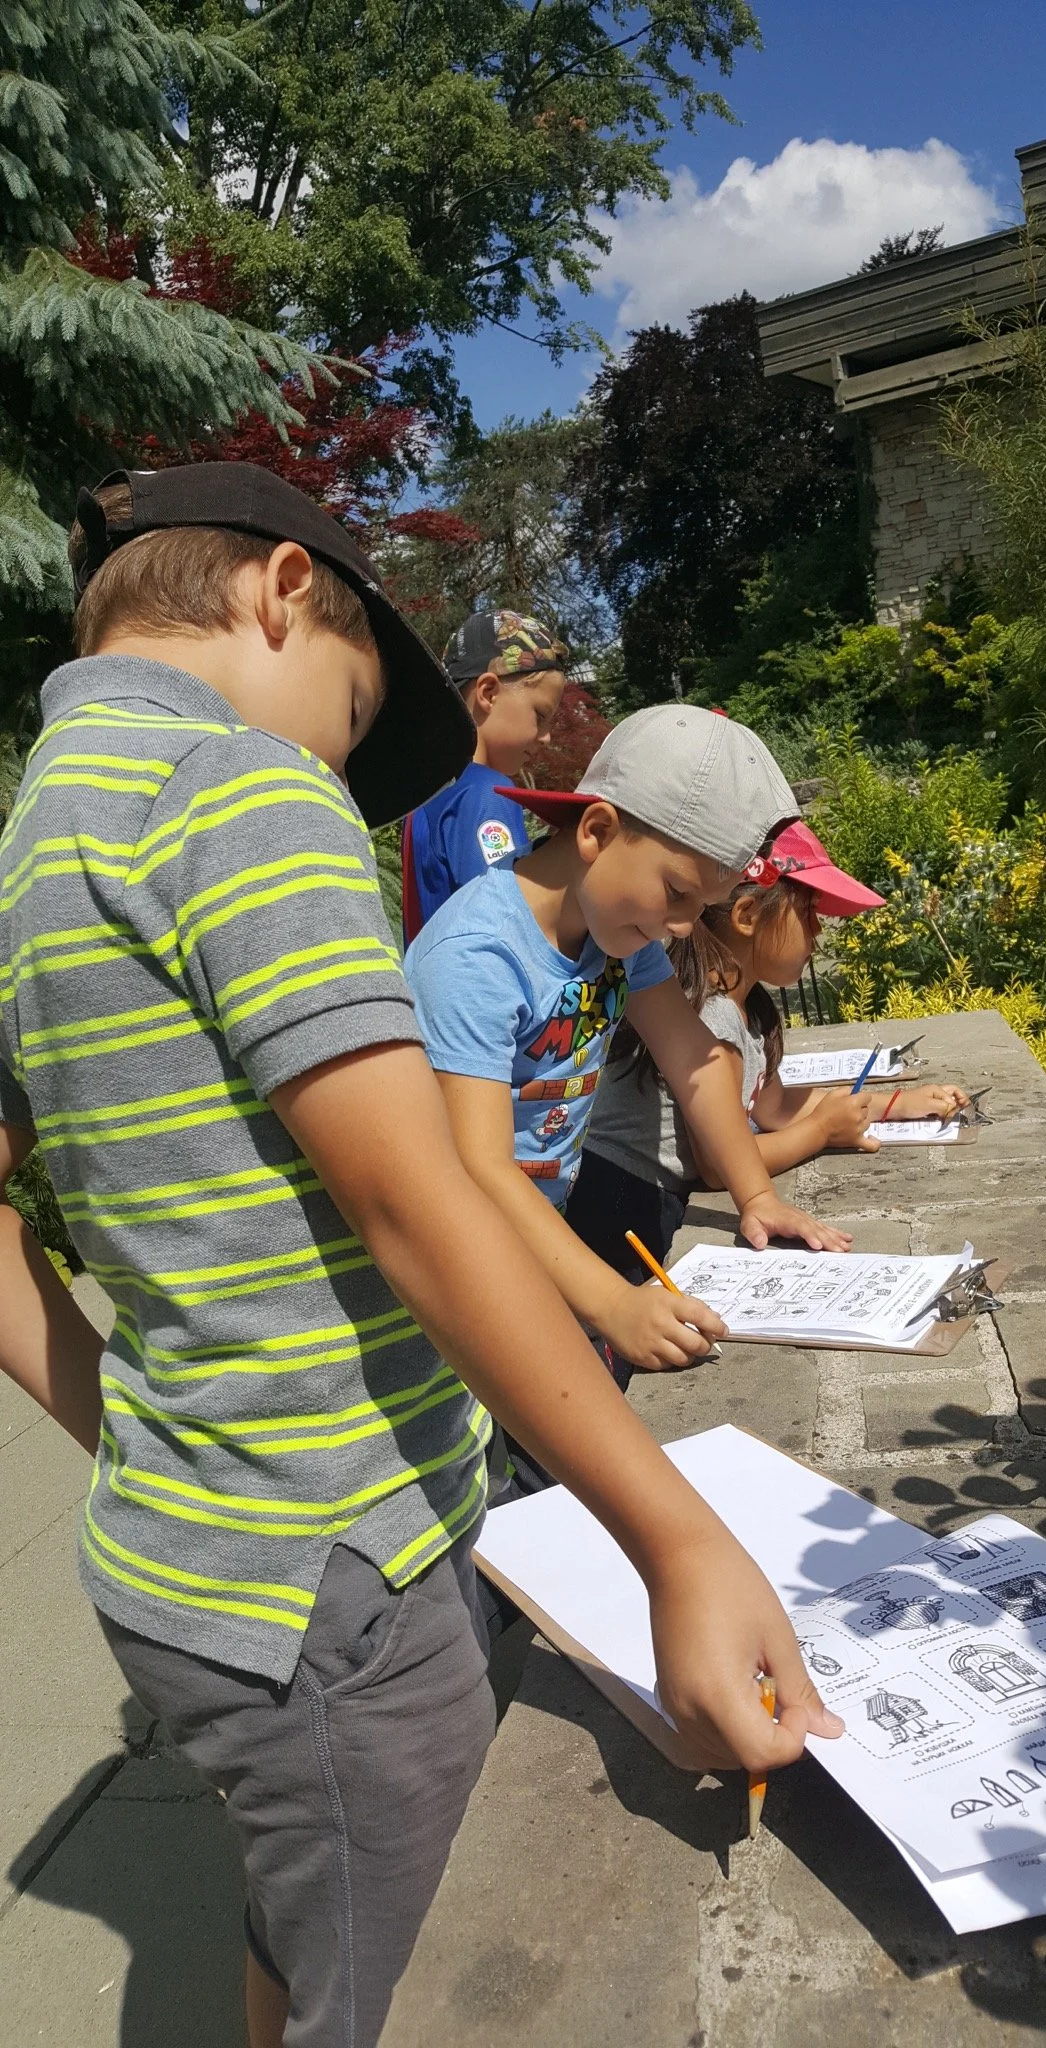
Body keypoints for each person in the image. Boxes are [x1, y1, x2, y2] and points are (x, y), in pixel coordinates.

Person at [0, 466, 842, 2048]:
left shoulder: (37, 831)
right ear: (280, 594)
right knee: (403, 1975)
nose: (335, 754)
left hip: (195, 1563)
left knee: (299, 1910)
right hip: (335, 1568)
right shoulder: (242, 789)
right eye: (349, 710)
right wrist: (678, 1545)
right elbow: (418, 1204)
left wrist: (124, 1423)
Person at [403, 706, 852, 1447]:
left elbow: (697, 1063)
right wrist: (611, 1303)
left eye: (700, 907)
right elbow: (477, 1168)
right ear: (597, 832)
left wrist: (758, 1195)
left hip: (536, 1248)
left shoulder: (616, 941)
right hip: (457, 1267)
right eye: (676, 894)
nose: (683, 929)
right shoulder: (478, 958)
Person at [566, 817, 969, 1289]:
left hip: (636, 1195)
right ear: (748, 915)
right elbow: (718, 1166)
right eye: (809, 912)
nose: (819, 931)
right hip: (620, 1202)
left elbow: (773, 1107)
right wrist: (820, 1132)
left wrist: (895, 1106)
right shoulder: (712, 1016)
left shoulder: (747, 1009)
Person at [400, 609, 569, 943]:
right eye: (540, 715)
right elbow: (506, 927)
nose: (547, 737)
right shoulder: (487, 794)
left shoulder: (428, 795)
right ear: (488, 693)